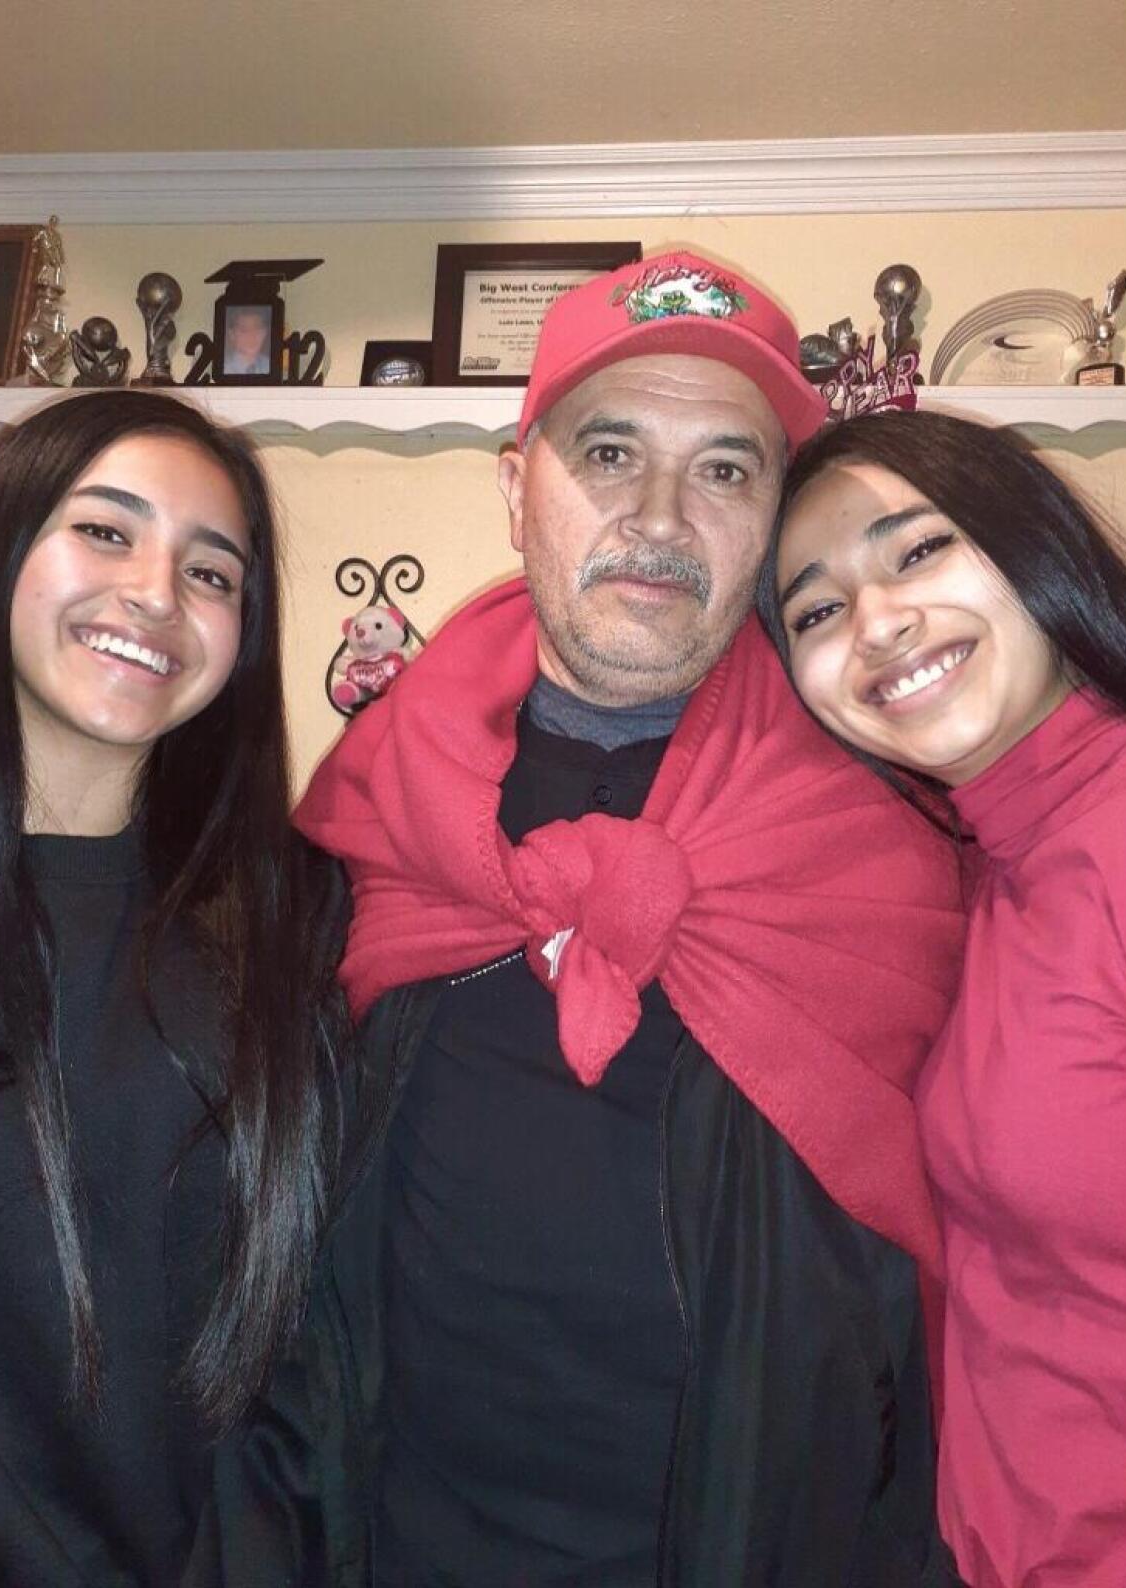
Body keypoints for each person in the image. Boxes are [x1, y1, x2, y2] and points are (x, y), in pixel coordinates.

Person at [191, 252, 966, 1586]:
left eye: (726, 469)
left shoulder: (899, 843)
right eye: (609, 451)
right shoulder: (366, 818)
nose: (661, 516)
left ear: (779, 516)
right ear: (516, 486)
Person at [0, 389, 352, 1586]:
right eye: (107, 531)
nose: (156, 595)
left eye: (214, 573)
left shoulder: (304, 916)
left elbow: (319, 1344)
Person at [759, 407, 1126, 1588]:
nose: (878, 623)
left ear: (1034, 544)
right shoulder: (967, 870)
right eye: (817, 611)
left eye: (919, 549)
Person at [222, 306, 272, 377]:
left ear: (264, 332)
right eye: (244, 330)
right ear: (232, 334)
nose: (252, 336)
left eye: (257, 328)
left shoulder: (270, 366)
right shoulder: (224, 368)